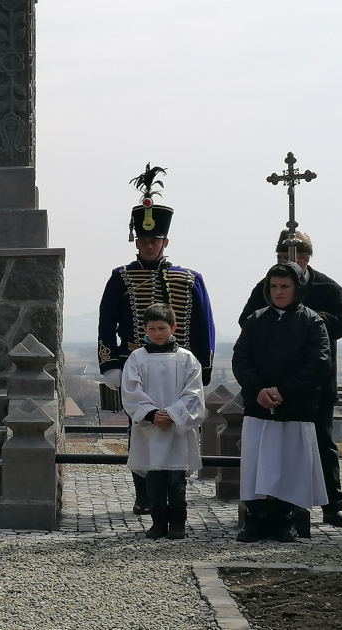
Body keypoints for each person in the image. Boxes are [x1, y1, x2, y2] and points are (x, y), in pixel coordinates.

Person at [97, 165, 215, 516]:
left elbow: (203, 326)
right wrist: (111, 364)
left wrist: (202, 373)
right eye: (143, 240)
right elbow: (106, 325)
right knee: (141, 431)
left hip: (179, 369)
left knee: (177, 429)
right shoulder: (120, 278)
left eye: (155, 240)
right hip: (138, 366)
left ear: (165, 241)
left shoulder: (190, 278)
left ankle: (174, 493)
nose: (148, 245)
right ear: (137, 241)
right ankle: (144, 493)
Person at [238, 231, 342, 528]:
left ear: (305, 259)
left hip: (312, 386)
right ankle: (270, 509)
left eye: (291, 258)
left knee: (321, 443)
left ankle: (331, 505)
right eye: (279, 258)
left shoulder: (327, 287)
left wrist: (304, 319)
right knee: (274, 448)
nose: (285, 264)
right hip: (268, 383)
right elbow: (248, 321)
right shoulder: (268, 287)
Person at [233, 261, 331, 543]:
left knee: (289, 466)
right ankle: (255, 520)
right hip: (258, 408)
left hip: (294, 408)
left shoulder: (312, 321)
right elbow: (241, 360)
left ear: (297, 288)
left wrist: (285, 391)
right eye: (274, 286)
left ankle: (283, 520)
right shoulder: (255, 320)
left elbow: (319, 363)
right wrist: (258, 389)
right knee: (258, 464)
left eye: (285, 286)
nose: (278, 292)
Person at [120, 304, 205, 540]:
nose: (158, 333)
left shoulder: (186, 359)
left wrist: (171, 414)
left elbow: (194, 393)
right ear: (144, 329)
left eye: (162, 328)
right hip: (150, 430)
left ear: (173, 328)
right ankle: (157, 523)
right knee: (154, 481)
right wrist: (151, 414)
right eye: (152, 328)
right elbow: (130, 391)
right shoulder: (137, 358)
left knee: (176, 482)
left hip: (177, 431)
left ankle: (177, 523)